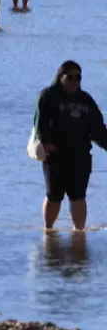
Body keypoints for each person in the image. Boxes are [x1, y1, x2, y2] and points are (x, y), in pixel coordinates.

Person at [34, 60, 107, 232]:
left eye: (78, 78)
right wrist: (44, 142)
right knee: (54, 196)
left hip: (80, 155)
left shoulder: (86, 100)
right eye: (70, 77)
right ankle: (49, 230)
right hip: (55, 155)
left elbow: (97, 129)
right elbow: (40, 123)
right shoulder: (48, 96)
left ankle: (79, 232)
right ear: (60, 77)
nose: (74, 81)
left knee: (78, 195)